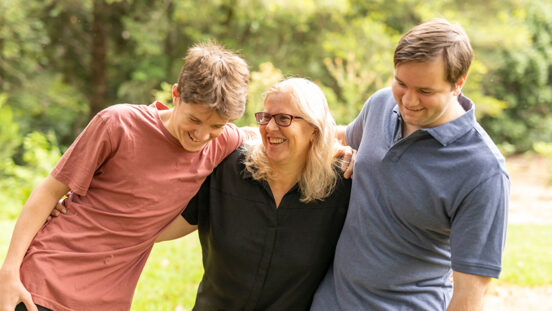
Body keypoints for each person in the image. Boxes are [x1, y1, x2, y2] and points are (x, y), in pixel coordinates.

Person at [0, 42, 250, 311]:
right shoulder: (118, 124)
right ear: (176, 95)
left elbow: (260, 137)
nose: (202, 136)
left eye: (216, 126)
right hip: (44, 283)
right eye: (194, 120)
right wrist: (9, 273)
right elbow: (49, 191)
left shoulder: (222, 141)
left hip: (108, 301)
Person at [311, 19, 509, 310]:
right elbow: (343, 138)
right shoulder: (380, 104)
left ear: (459, 83)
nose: (409, 100)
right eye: (401, 84)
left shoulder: (483, 170)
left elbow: (469, 296)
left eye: (425, 91)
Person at [156, 77, 352, 310]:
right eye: (266, 117)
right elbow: (160, 226)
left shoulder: (341, 187)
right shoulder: (228, 169)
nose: (269, 127)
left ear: (314, 129)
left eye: (283, 118)